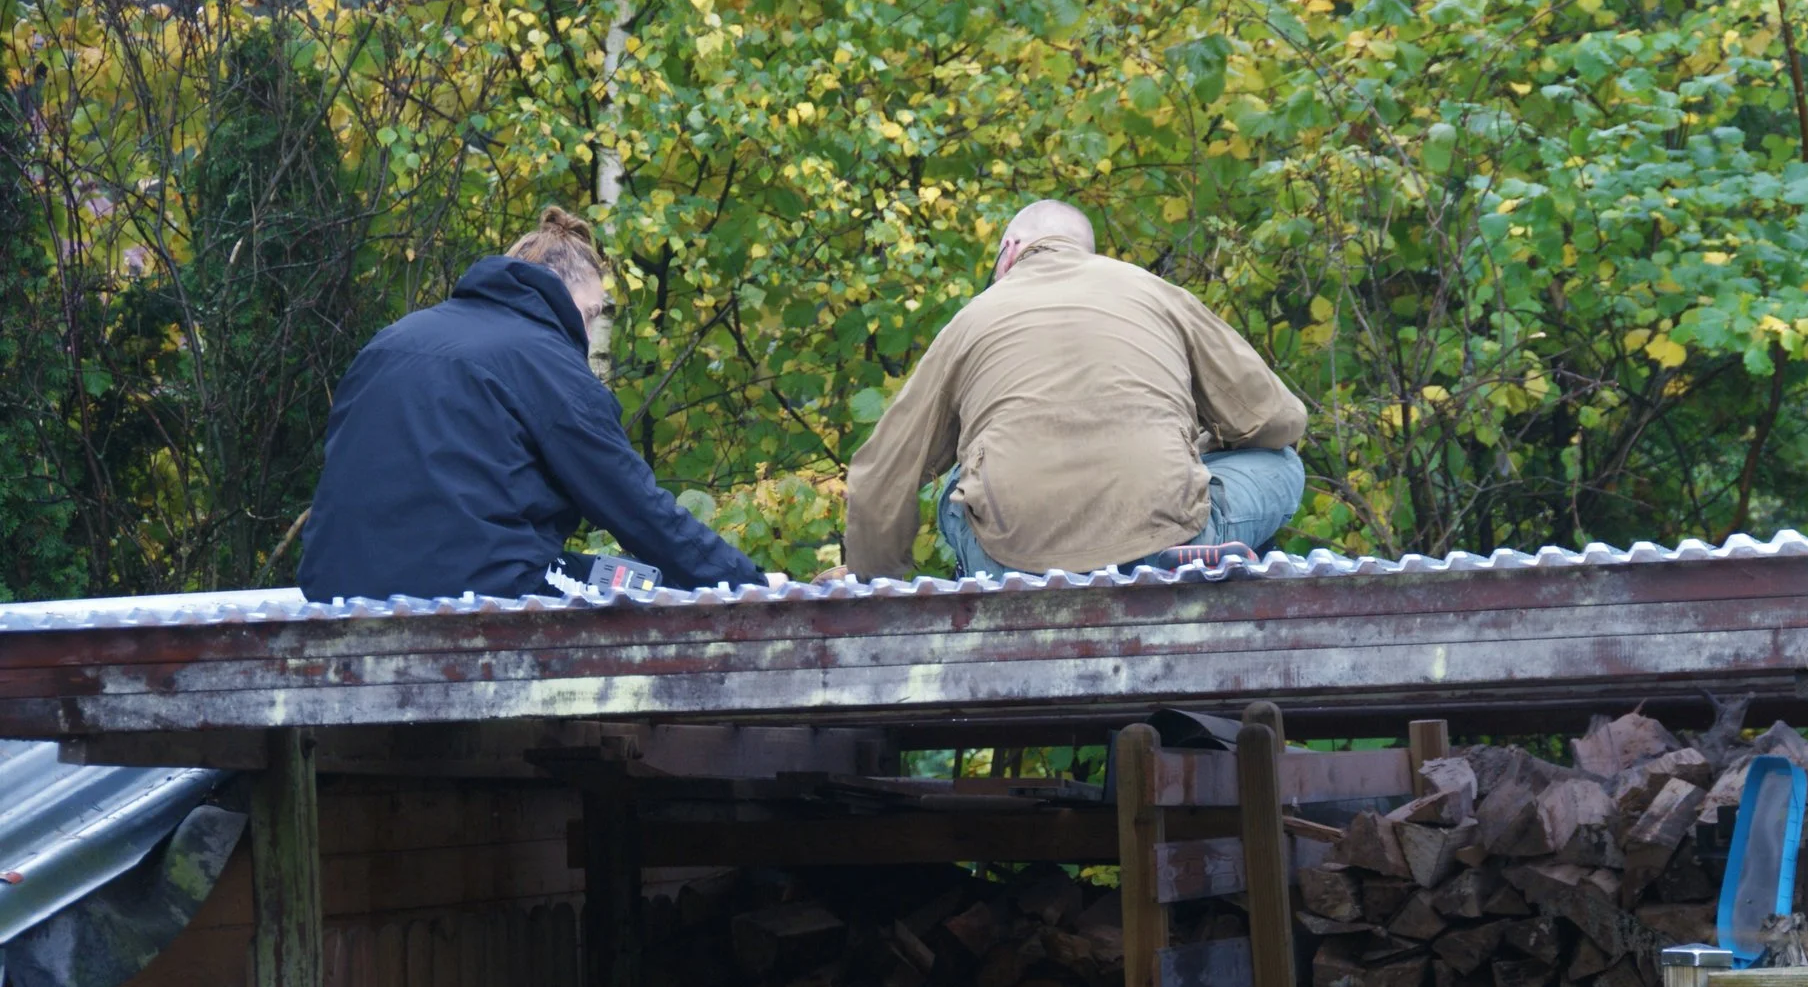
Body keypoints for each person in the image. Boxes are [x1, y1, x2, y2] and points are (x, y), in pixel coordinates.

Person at [298, 207, 763, 601]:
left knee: (610, 575)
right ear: (564, 292)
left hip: (334, 585)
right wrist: (750, 587)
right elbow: (637, 508)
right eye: (591, 314)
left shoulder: (391, 340)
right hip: (478, 587)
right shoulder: (546, 361)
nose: (587, 335)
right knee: (644, 592)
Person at [843, 199, 1307, 580]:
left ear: (1009, 250)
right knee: (1281, 462)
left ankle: (992, 576)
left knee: (956, 484)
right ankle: (1191, 556)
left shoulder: (970, 320)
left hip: (1014, 561)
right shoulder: (1155, 292)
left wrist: (875, 586)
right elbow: (1276, 419)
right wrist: (1200, 451)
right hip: (1166, 536)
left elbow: (882, 476)